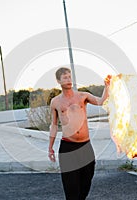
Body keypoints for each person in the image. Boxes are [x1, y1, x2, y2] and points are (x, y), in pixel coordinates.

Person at [48, 67, 111, 200]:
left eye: (70, 77)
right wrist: (50, 148)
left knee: (86, 181)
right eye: (65, 77)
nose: (69, 80)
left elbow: (100, 101)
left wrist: (107, 87)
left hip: (85, 146)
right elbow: (54, 125)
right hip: (68, 147)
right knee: (71, 187)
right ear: (58, 81)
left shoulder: (83, 96)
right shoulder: (56, 102)